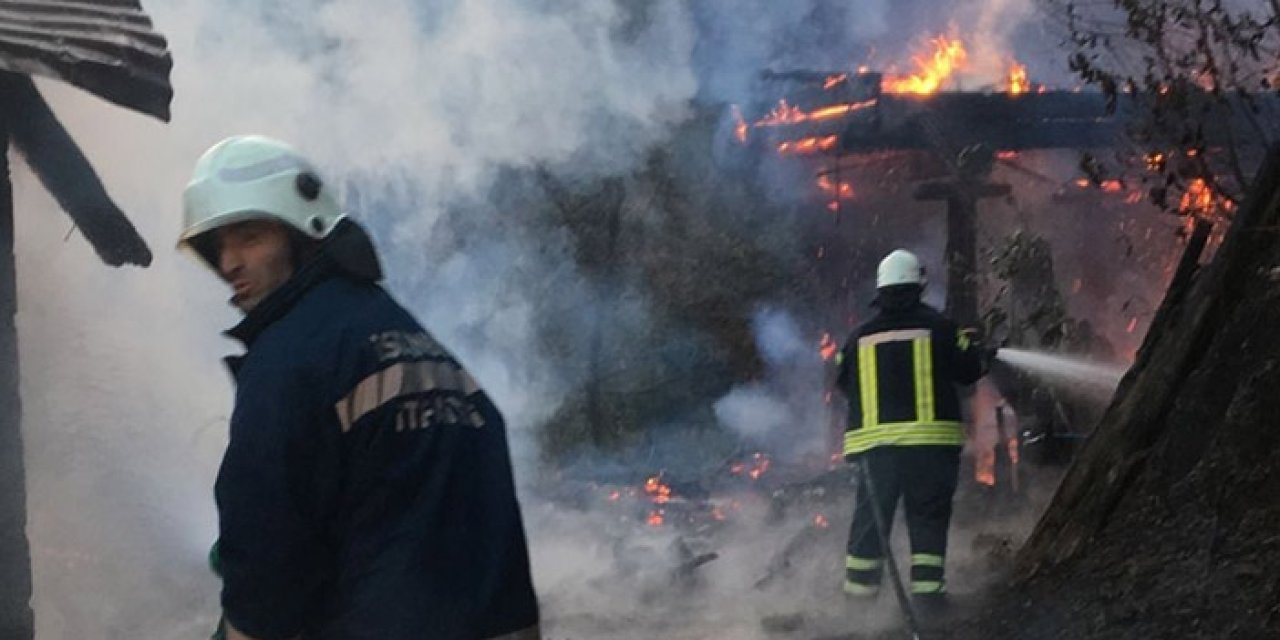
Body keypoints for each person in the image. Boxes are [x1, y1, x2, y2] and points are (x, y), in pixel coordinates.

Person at [179, 135, 540, 640]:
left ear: (302, 235)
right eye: (218, 246)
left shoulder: (289, 358)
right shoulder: (410, 340)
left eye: (249, 237)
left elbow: (267, 546)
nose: (228, 263)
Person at [834, 249, 988, 604]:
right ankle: (929, 599)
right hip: (929, 451)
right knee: (927, 519)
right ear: (919, 286)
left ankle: (858, 602)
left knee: (870, 522)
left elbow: (843, 383)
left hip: (877, 452)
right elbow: (970, 371)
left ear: (882, 290)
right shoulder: (941, 328)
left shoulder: (859, 337)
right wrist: (982, 353)